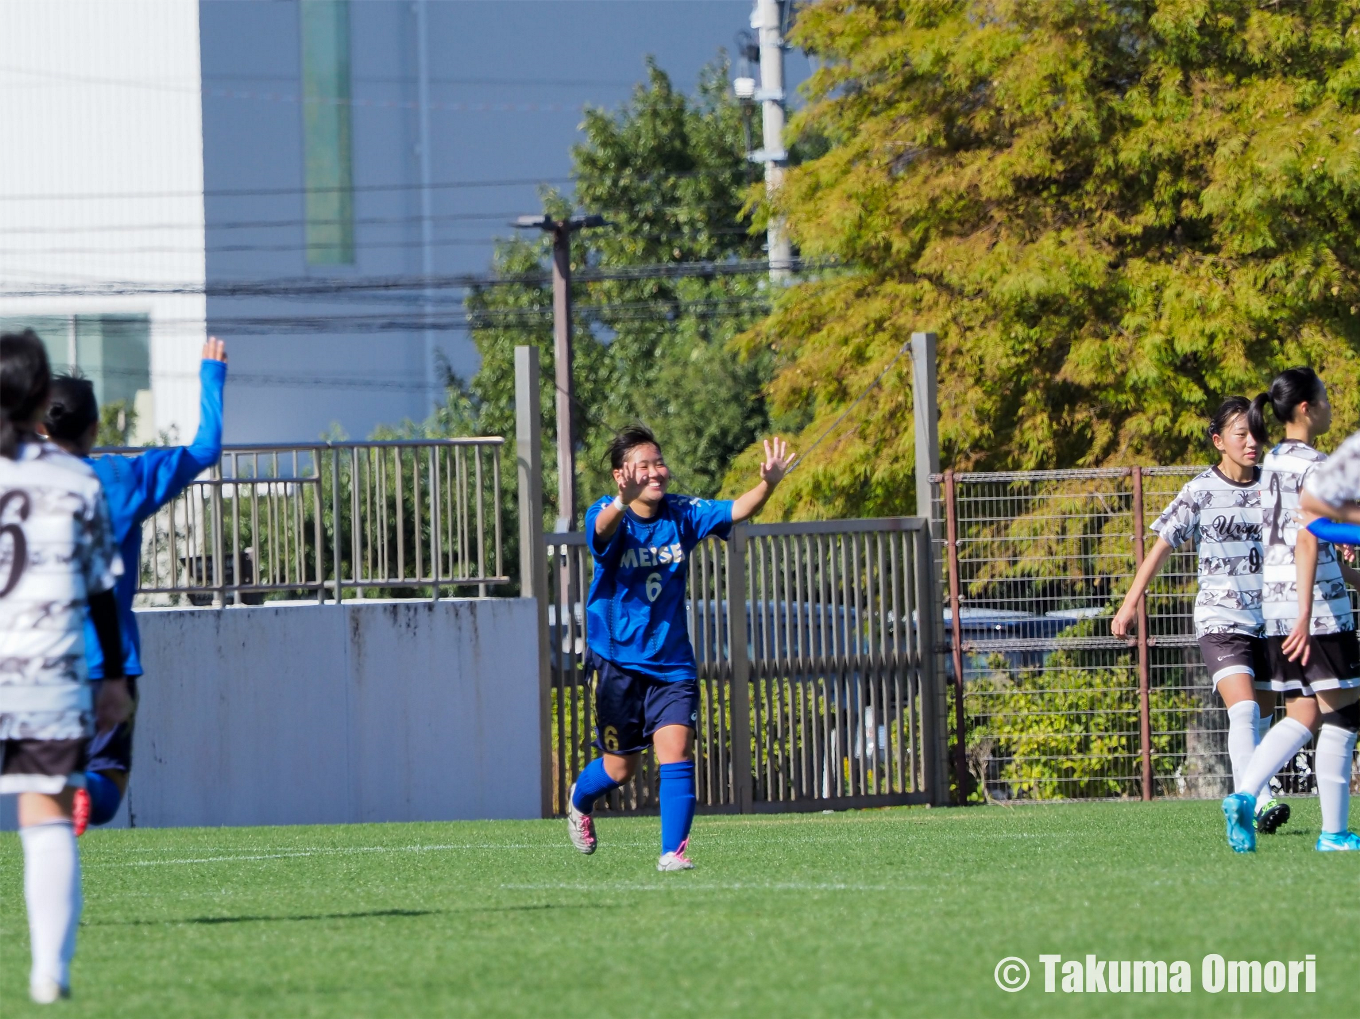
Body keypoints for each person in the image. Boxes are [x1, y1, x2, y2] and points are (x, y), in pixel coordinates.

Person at [565, 425, 791, 870]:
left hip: (672, 663)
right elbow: (600, 530)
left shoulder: (683, 513)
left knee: (676, 750)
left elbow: (737, 509)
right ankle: (579, 798)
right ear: (621, 475)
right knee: (620, 769)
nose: (655, 472)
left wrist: (768, 483)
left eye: (658, 462)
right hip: (617, 661)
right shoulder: (609, 513)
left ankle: (672, 853)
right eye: (643, 466)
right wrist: (619, 501)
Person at [42, 338, 227, 834]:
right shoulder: (126, 477)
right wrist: (211, 373)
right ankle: (84, 792)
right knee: (104, 787)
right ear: (96, 428)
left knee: (41, 796)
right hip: (109, 664)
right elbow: (206, 446)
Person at [0, 330, 129, 1003]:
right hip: (46, 667)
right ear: (44, 396)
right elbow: (102, 586)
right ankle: (49, 970)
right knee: (45, 812)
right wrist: (113, 677)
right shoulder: (78, 480)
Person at [1112, 397, 1286, 830]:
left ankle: (1251, 798)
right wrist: (1131, 602)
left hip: (1272, 620)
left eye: (1256, 433)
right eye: (1240, 434)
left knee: (1262, 720)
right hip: (1221, 620)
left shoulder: (1277, 487)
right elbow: (1162, 548)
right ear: (1218, 441)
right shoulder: (1200, 490)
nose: (1251, 442)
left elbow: (1306, 541)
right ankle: (1258, 800)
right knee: (1243, 711)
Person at [1222, 367, 1360, 852]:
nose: (1329, 404)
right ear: (1306, 408)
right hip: (1315, 609)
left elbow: (1306, 535)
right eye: (1324, 396)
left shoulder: (1273, 461)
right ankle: (1334, 833)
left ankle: (1243, 794)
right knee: (1346, 714)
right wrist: (1306, 614)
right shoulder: (1317, 465)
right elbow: (1307, 538)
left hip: (1276, 606)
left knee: (1303, 710)